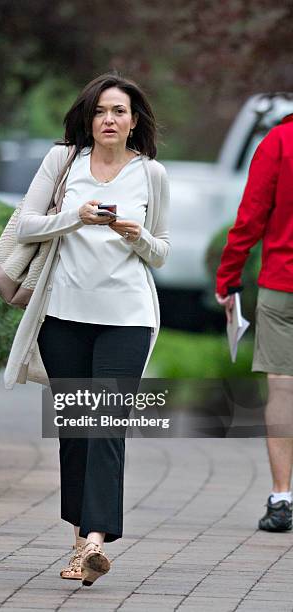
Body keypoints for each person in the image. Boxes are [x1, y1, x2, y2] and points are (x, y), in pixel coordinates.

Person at [6, 72, 170, 585]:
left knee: (105, 428)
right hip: (63, 317)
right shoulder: (64, 162)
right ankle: (80, 545)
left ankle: (97, 539)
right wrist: (74, 217)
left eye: (119, 111)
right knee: (77, 432)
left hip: (126, 318)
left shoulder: (152, 175)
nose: (109, 119)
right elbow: (26, 223)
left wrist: (136, 233)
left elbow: (162, 252)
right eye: (101, 111)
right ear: (88, 117)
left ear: (134, 120)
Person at [215, 114, 293, 532]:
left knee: (282, 387)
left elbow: (250, 219)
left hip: (283, 285)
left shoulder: (279, 142)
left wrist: (228, 277)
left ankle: (282, 498)